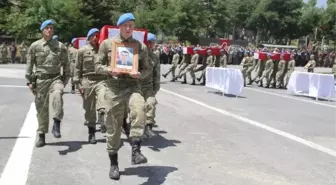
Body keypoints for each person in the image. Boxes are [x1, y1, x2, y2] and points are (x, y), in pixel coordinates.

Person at [94, 12, 151, 180]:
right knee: (113, 127)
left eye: (131, 26)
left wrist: (139, 74)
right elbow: (97, 65)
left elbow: (148, 69)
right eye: (125, 26)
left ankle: (135, 151)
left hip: (132, 86)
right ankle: (114, 164)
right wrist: (109, 70)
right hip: (113, 88)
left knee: (139, 109)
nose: (128, 29)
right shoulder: (107, 44)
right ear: (119, 27)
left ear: (134, 28)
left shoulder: (140, 47)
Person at [25, 19, 69, 147]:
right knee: (41, 109)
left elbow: (66, 65)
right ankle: (42, 135)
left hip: (55, 78)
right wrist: (29, 81)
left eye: (51, 28)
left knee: (57, 94)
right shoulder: (35, 46)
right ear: (42, 30)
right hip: (40, 80)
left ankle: (56, 122)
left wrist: (65, 80)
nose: (49, 30)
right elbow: (30, 65)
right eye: (47, 28)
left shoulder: (60, 46)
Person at [74, 28, 105, 144]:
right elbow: (77, 68)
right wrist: (78, 84)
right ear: (89, 37)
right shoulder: (82, 51)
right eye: (94, 36)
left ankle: (103, 119)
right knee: (89, 109)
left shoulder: (103, 50)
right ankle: (91, 132)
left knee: (104, 100)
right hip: (87, 80)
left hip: (101, 80)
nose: (96, 38)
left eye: (98, 35)